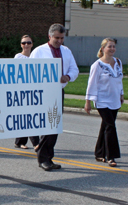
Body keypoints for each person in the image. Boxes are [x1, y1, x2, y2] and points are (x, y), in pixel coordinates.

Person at [29, 23, 79, 171]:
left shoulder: (66, 51)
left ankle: (47, 157)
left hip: (58, 91)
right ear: (49, 36)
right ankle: (44, 158)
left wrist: (68, 76)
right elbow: (29, 71)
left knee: (54, 126)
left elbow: (74, 69)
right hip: (43, 92)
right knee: (47, 126)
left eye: (62, 38)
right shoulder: (39, 51)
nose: (59, 41)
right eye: (56, 37)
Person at [84, 38, 123, 167]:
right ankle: (111, 156)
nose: (112, 49)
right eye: (109, 46)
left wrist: (121, 94)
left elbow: (119, 80)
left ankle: (99, 153)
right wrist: (88, 102)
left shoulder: (118, 62)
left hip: (114, 100)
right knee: (111, 126)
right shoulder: (97, 65)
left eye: (113, 46)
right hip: (102, 101)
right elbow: (91, 84)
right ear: (103, 48)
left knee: (105, 127)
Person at [13, 35, 40, 150]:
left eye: (28, 42)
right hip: (21, 90)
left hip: (34, 90)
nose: (26, 45)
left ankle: (19, 141)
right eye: (24, 43)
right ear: (21, 45)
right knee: (29, 116)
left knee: (26, 116)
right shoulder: (18, 57)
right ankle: (36, 143)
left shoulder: (36, 57)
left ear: (32, 44)